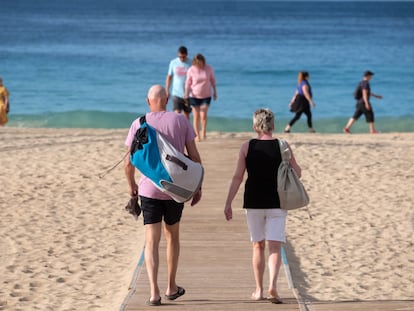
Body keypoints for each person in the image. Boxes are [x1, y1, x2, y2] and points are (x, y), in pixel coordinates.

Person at [124, 85, 203, 306]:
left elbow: (128, 163)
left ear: (148, 101)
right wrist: (197, 188)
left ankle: (153, 292)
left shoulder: (139, 123)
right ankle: (171, 286)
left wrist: (132, 187)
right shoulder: (180, 121)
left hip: (149, 190)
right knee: (172, 237)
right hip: (175, 190)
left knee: (151, 241)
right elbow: (195, 158)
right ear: (166, 99)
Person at [224, 108, 302, 304]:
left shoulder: (247, 147)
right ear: (273, 125)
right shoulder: (283, 145)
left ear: (255, 126)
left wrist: (228, 202)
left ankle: (259, 290)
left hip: (254, 202)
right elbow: (298, 172)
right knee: (275, 247)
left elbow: (237, 177)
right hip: (277, 201)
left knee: (257, 246)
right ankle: (273, 286)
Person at [184, 53, 217, 141]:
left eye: (201, 63)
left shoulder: (209, 68)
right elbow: (188, 83)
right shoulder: (191, 70)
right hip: (194, 96)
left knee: (203, 115)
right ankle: (197, 135)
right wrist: (186, 94)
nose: (200, 65)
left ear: (203, 61)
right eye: (198, 63)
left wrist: (215, 92)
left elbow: (213, 80)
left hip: (206, 96)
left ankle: (204, 132)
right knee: (196, 116)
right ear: (195, 63)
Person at [165, 46, 192, 119]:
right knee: (177, 114)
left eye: (183, 57)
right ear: (178, 55)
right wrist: (167, 90)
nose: (182, 59)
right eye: (180, 57)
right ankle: (177, 130)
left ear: (187, 54)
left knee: (187, 115)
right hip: (176, 93)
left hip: (188, 94)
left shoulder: (191, 62)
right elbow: (169, 77)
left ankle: (186, 130)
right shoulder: (173, 62)